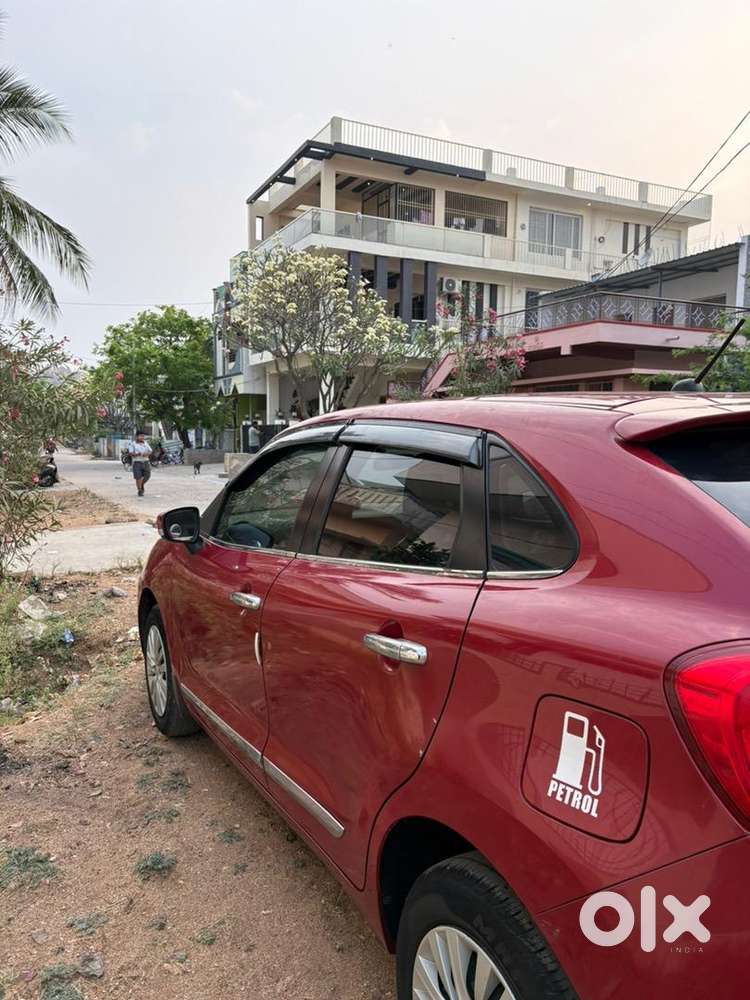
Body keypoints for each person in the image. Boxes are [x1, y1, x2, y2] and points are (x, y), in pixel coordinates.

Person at [127, 431, 152, 497]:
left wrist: (147, 454)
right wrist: (137, 454)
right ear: (137, 436)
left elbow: (150, 451)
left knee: (148, 475)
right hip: (137, 462)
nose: (142, 437)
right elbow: (130, 453)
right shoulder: (132, 444)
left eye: (143, 436)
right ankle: (140, 490)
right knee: (138, 477)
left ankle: (141, 484)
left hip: (146, 461)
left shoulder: (145, 443)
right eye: (141, 436)